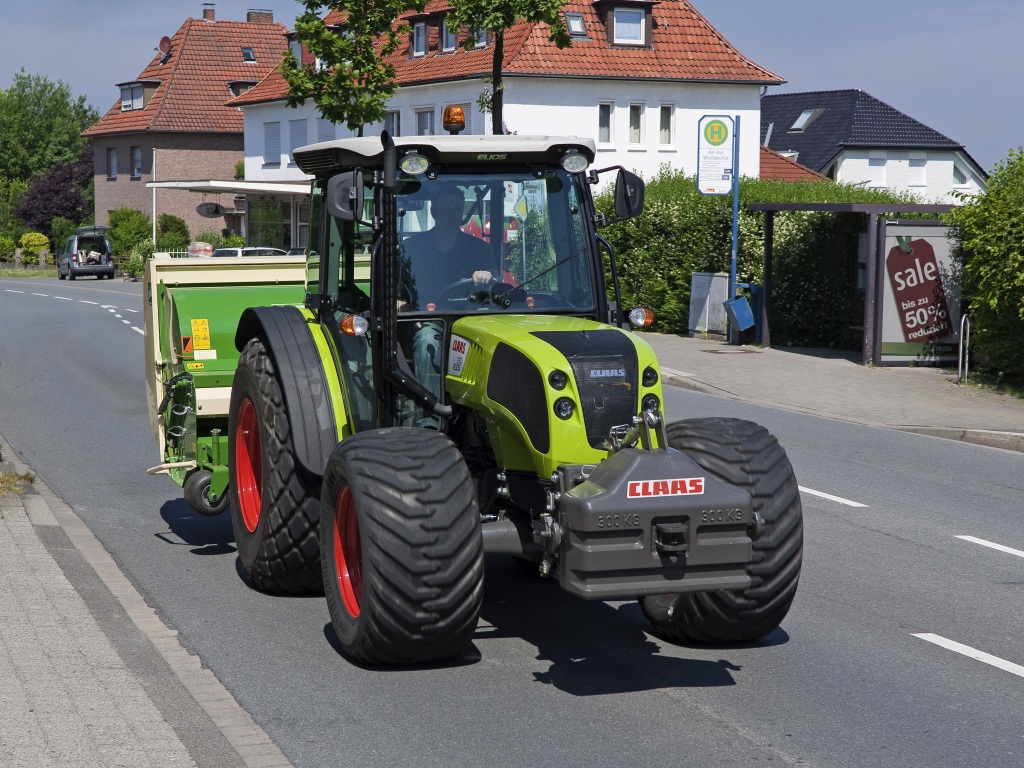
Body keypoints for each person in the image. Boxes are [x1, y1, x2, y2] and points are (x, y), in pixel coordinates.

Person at [398, 184, 495, 426]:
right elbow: (396, 291)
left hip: (471, 321)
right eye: (447, 208)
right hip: (430, 320)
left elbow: (495, 286)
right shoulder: (411, 249)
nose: (453, 213)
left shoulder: (479, 249)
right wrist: (399, 302)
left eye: (457, 209)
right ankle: (431, 423)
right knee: (428, 341)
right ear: (433, 212)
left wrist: (487, 278)